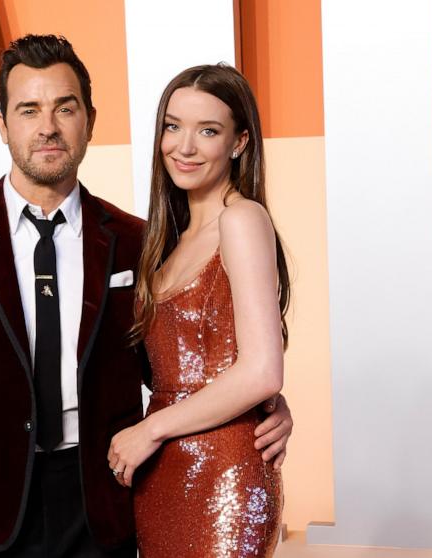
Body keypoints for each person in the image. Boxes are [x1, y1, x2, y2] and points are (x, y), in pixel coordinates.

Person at [0, 36, 293, 558]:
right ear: (3, 124)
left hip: (106, 505)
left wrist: (265, 404)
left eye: (65, 107)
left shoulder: (137, 239)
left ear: (90, 120)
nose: (47, 127)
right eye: (28, 109)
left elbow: (171, 359)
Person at [107, 64, 290, 557]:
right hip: (162, 470)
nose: (183, 147)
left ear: (239, 142)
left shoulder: (243, 219)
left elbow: (261, 370)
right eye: (173, 126)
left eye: (207, 130)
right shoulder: (167, 240)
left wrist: (150, 428)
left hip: (224, 472)